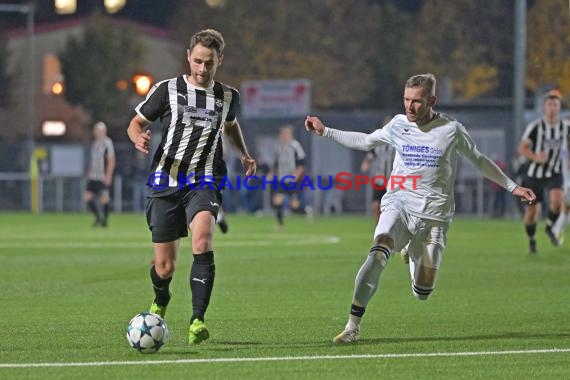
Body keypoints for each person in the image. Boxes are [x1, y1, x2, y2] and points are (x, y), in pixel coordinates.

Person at [304, 73, 536, 343]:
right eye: (406, 99)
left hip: (434, 217)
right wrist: (325, 131)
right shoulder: (398, 124)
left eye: (416, 101)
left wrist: (512, 187)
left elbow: (479, 160)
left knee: (422, 291)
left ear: (432, 100)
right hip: (398, 204)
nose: (409, 107)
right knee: (377, 253)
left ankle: (411, 254)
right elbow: (366, 141)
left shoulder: (451, 129)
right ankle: (353, 325)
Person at [126, 29, 256, 345]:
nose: (201, 69)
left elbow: (230, 124)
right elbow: (137, 122)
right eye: (197, 61)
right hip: (165, 182)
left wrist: (244, 152)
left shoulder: (228, 97)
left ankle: (197, 320)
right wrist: (137, 138)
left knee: (202, 241)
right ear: (188, 56)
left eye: (208, 63)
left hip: (205, 179)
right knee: (165, 266)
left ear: (219, 61)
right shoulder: (167, 91)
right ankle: (161, 296)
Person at [518, 89, 570, 253]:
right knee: (532, 214)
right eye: (550, 104)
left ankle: (549, 227)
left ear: (559, 107)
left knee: (558, 201)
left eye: (556, 104)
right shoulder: (535, 127)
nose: (553, 107)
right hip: (534, 174)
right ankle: (532, 240)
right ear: (544, 107)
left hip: (554, 172)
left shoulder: (566, 127)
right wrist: (535, 157)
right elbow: (522, 148)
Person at [271, 125, 307, 229]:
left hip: (292, 179)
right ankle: (280, 224)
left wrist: (297, 174)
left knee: (294, 205)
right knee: (277, 200)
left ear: (290, 135)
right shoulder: (279, 147)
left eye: (286, 134)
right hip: (281, 178)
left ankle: (306, 210)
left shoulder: (295, 146)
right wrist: (271, 173)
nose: (284, 136)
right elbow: (276, 163)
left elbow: (302, 163)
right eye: (282, 134)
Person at [360, 116, 395, 221]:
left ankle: (388, 228)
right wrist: (366, 163)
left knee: (391, 208)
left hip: (393, 180)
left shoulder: (397, 143)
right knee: (375, 205)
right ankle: (378, 227)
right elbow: (371, 155)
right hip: (379, 179)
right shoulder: (378, 142)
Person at [84, 121, 115, 227]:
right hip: (94, 176)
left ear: (103, 131)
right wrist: (89, 172)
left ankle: (104, 221)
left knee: (104, 199)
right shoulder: (95, 143)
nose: (96, 132)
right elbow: (93, 160)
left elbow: (111, 160)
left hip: (102, 177)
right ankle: (98, 218)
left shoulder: (107, 143)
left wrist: (108, 175)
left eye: (98, 130)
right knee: (87, 197)